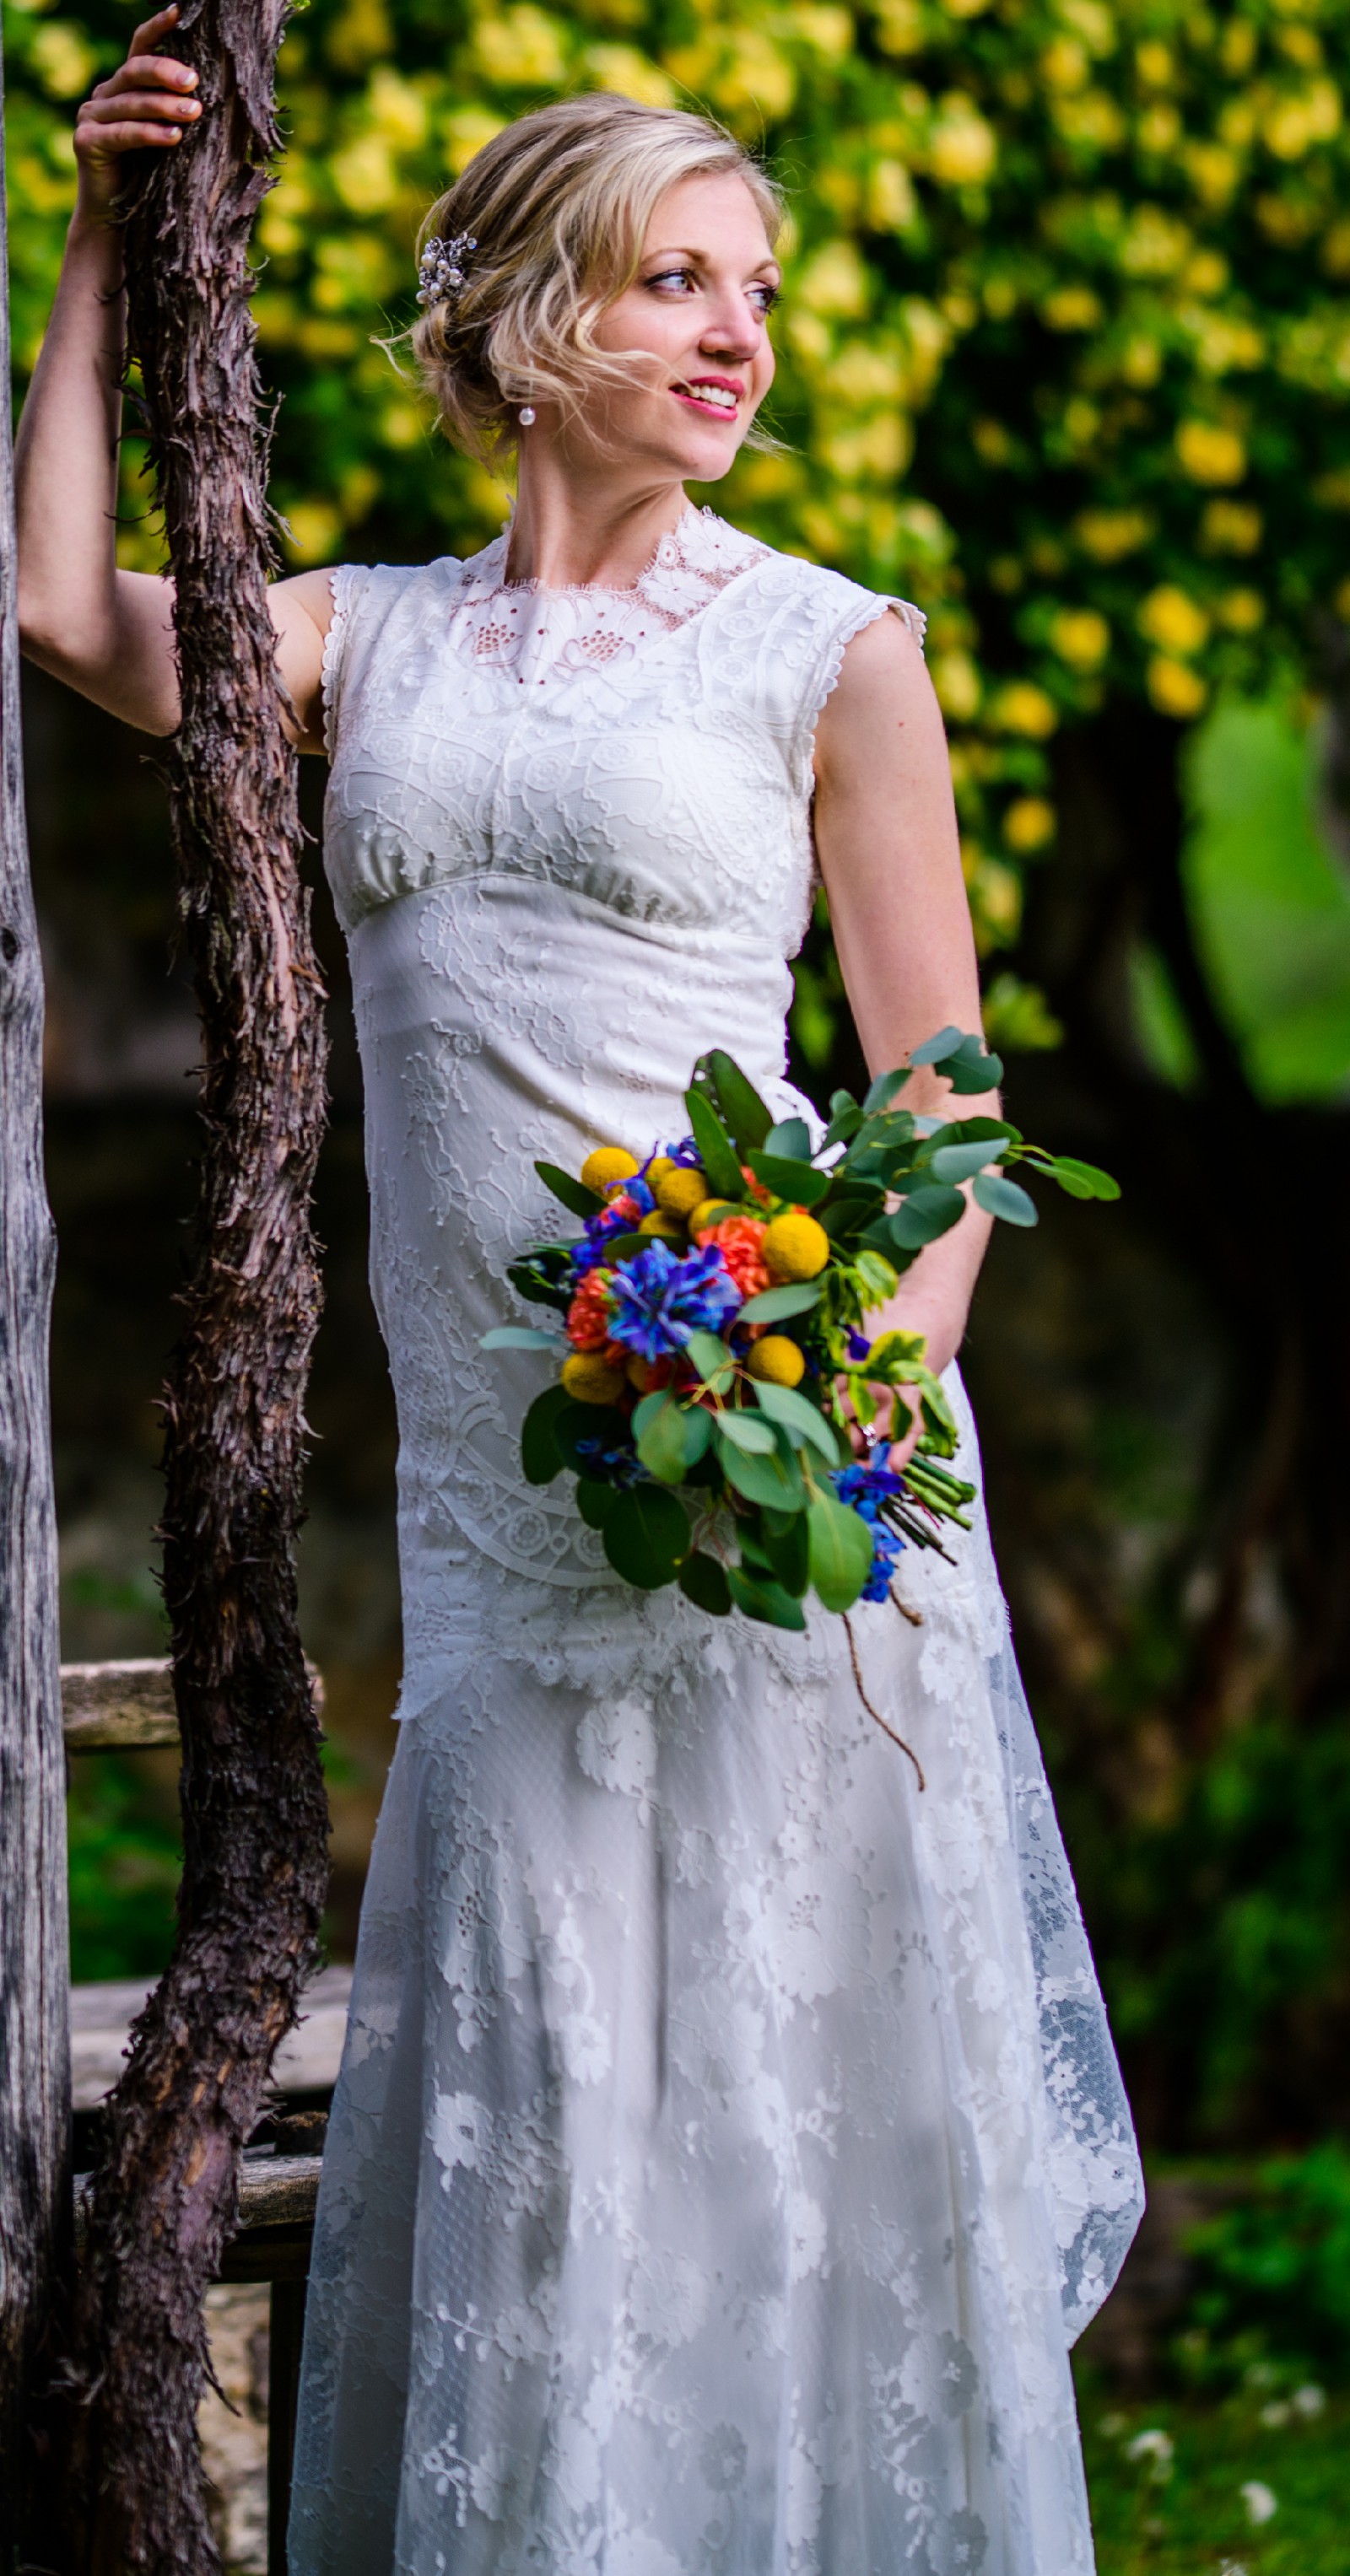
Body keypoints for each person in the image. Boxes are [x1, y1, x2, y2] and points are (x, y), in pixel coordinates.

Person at [19, 15, 1143, 2570]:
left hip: (774, 1488)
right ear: (535, 324)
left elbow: (941, 1094)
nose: (740, 333)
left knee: (793, 2107)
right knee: (550, 2093)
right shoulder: (370, 644)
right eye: (676, 282)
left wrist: (863, 1377)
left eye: (758, 289)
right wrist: (101, 240)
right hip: (511, 1530)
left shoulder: (833, 648)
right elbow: (61, 599)